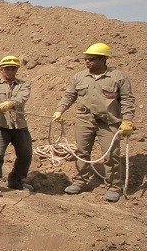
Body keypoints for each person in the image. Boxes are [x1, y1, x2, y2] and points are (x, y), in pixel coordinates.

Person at [53, 42, 136, 202]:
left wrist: (127, 121)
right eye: (85, 59)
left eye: (91, 59)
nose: (87, 62)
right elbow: (69, 95)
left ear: (103, 60)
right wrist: (59, 110)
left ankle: (113, 186)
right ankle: (80, 181)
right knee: (82, 152)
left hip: (109, 122)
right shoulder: (79, 77)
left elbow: (127, 100)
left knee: (111, 155)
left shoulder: (118, 78)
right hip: (84, 119)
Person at [0, 55, 33, 196]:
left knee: (26, 154)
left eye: (13, 69)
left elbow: (22, 98)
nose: (10, 71)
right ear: (1, 69)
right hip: (0, 125)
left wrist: (10, 104)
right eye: (7, 69)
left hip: (19, 125)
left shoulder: (24, 84)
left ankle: (16, 180)